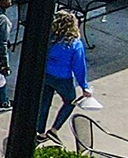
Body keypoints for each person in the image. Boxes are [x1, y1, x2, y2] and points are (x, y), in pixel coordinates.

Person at [38, 9, 92, 140]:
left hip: (46, 75)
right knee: (70, 101)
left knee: (44, 102)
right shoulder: (74, 44)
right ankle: (54, 129)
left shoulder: (50, 38)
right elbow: (79, 67)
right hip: (63, 79)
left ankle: (39, 131)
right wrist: (84, 86)